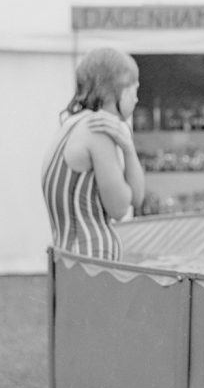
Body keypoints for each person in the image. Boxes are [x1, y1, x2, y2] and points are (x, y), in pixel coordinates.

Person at [41, 47, 145, 261]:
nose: (136, 99)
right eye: (135, 89)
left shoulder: (70, 124)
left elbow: (138, 197)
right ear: (116, 90)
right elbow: (120, 208)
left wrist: (128, 148)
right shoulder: (98, 131)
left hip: (66, 256)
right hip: (92, 259)